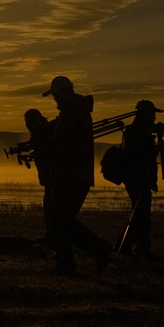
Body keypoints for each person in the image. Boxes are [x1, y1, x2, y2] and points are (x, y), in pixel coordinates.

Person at [42, 76, 112, 274]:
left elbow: (64, 143)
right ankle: (67, 261)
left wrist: (49, 144)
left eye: (55, 95)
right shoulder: (74, 110)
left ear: (64, 92)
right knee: (61, 219)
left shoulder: (72, 112)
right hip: (73, 174)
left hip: (70, 174)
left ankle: (97, 249)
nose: (55, 100)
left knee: (61, 219)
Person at [120, 100, 163, 257]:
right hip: (136, 178)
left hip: (142, 177)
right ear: (143, 114)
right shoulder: (133, 132)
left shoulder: (140, 131)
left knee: (142, 214)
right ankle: (127, 246)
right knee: (140, 214)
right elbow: (136, 155)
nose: (153, 117)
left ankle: (140, 246)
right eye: (151, 114)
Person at [22, 109, 55, 235]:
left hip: (54, 179)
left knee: (53, 212)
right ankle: (52, 237)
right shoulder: (41, 133)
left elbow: (47, 154)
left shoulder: (45, 133)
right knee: (50, 212)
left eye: (28, 122)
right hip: (49, 180)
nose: (27, 126)